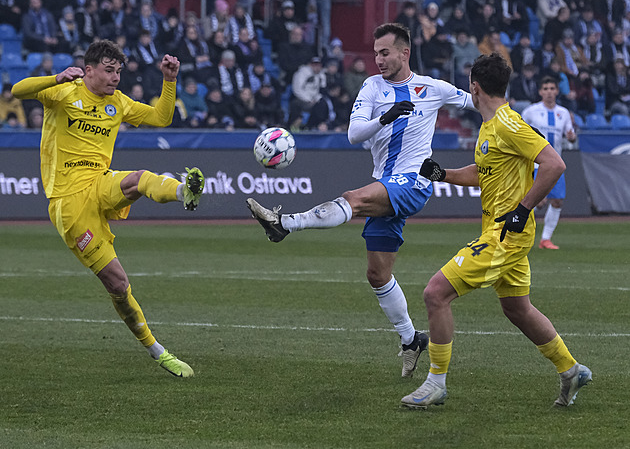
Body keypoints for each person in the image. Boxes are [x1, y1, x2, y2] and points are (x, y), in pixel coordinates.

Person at [246, 23, 474, 378]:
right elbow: (354, 134)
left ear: (404, 53)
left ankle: (283, 224)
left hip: (415, 181)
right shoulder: (371, 87)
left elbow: (478, 103)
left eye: (385, 53)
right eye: (376, 53)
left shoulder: (433, 88)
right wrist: (386, 116)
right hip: (386, 182)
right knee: (377, 274)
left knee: (353, 198)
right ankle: (411, 340)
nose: (379, 59)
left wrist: (510, 125)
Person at [400, 53, 591, 409]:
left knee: (435, 293)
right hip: (502, 230)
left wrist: (522, 209)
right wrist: (443, 174)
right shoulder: (491, 128)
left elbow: (554, 164)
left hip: (506, 233)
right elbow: (482, 171)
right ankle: (570, 369)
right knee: (517, 308)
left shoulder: (508, 124)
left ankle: (435, 382)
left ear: (474, 87)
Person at [11, 40, 205, 377]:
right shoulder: (63, 92)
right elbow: (18, 90)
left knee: (138, 179)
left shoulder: (117, 102)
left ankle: (183, 192)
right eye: (109, 70)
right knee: (117, 284)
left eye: (119, 71)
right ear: (89, 70)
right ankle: (157, 350)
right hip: (68, 204)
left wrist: (169, 81)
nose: (116, 78)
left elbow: (160, 118)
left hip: (100, 182)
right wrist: (55, 77)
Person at [521, 76, 577, 249]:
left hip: (556, 163)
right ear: (540, 92)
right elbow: (519, 133)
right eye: (545, 89)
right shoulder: (531, 111)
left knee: (557, 201)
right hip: (537, 163)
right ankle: (517, 224)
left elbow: (571, 136)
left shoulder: (564, 113)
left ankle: (545, 239)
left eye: (552, 88)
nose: (549, 92)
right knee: (539, 201)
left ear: (557, 91)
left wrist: (571, 137)